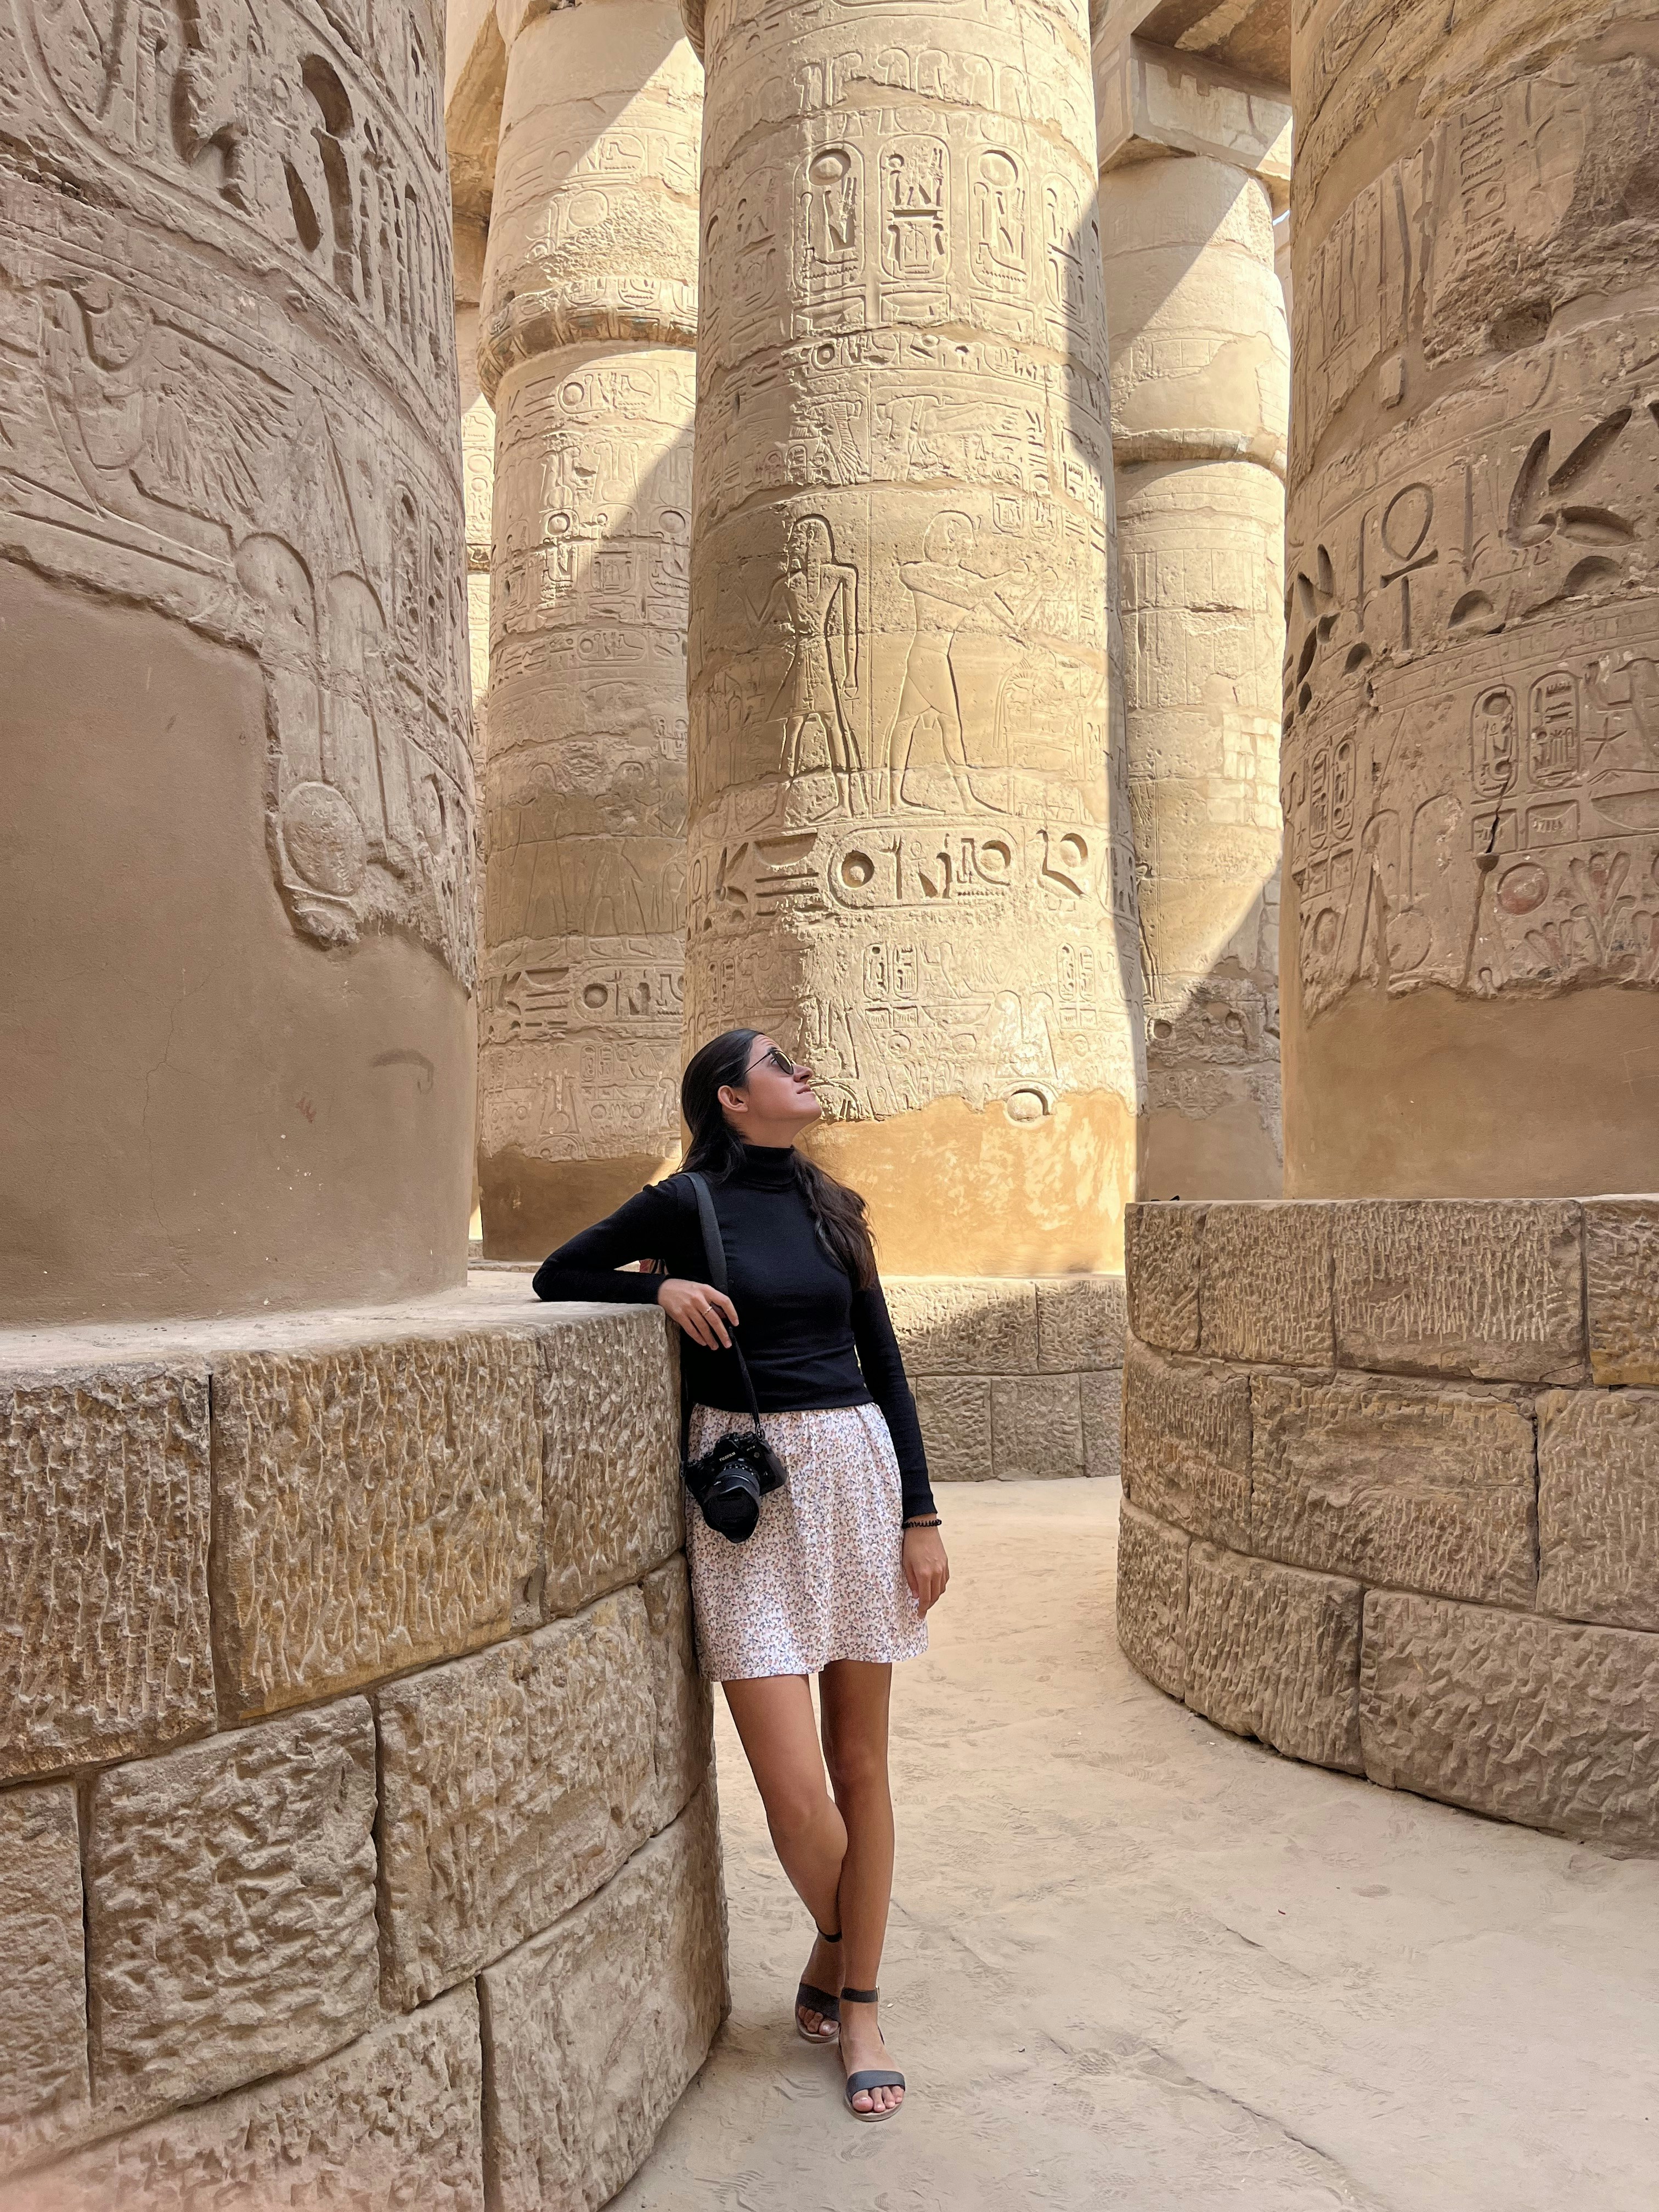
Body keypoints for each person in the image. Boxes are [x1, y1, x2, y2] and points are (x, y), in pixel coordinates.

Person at [533, 1028, 949, 2122]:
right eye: (780, 1062)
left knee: (859, 1762)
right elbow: (556, 1273)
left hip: (857, 1475)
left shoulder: (834, 1208)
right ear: (732, 1097)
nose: (804, 1070)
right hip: (750, 1501)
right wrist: (657, 1295)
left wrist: (922, 1515)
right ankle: (836, 1939)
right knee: (793, 1789)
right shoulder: (684, 1206)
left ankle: (856, 2000)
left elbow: (887, 1367)